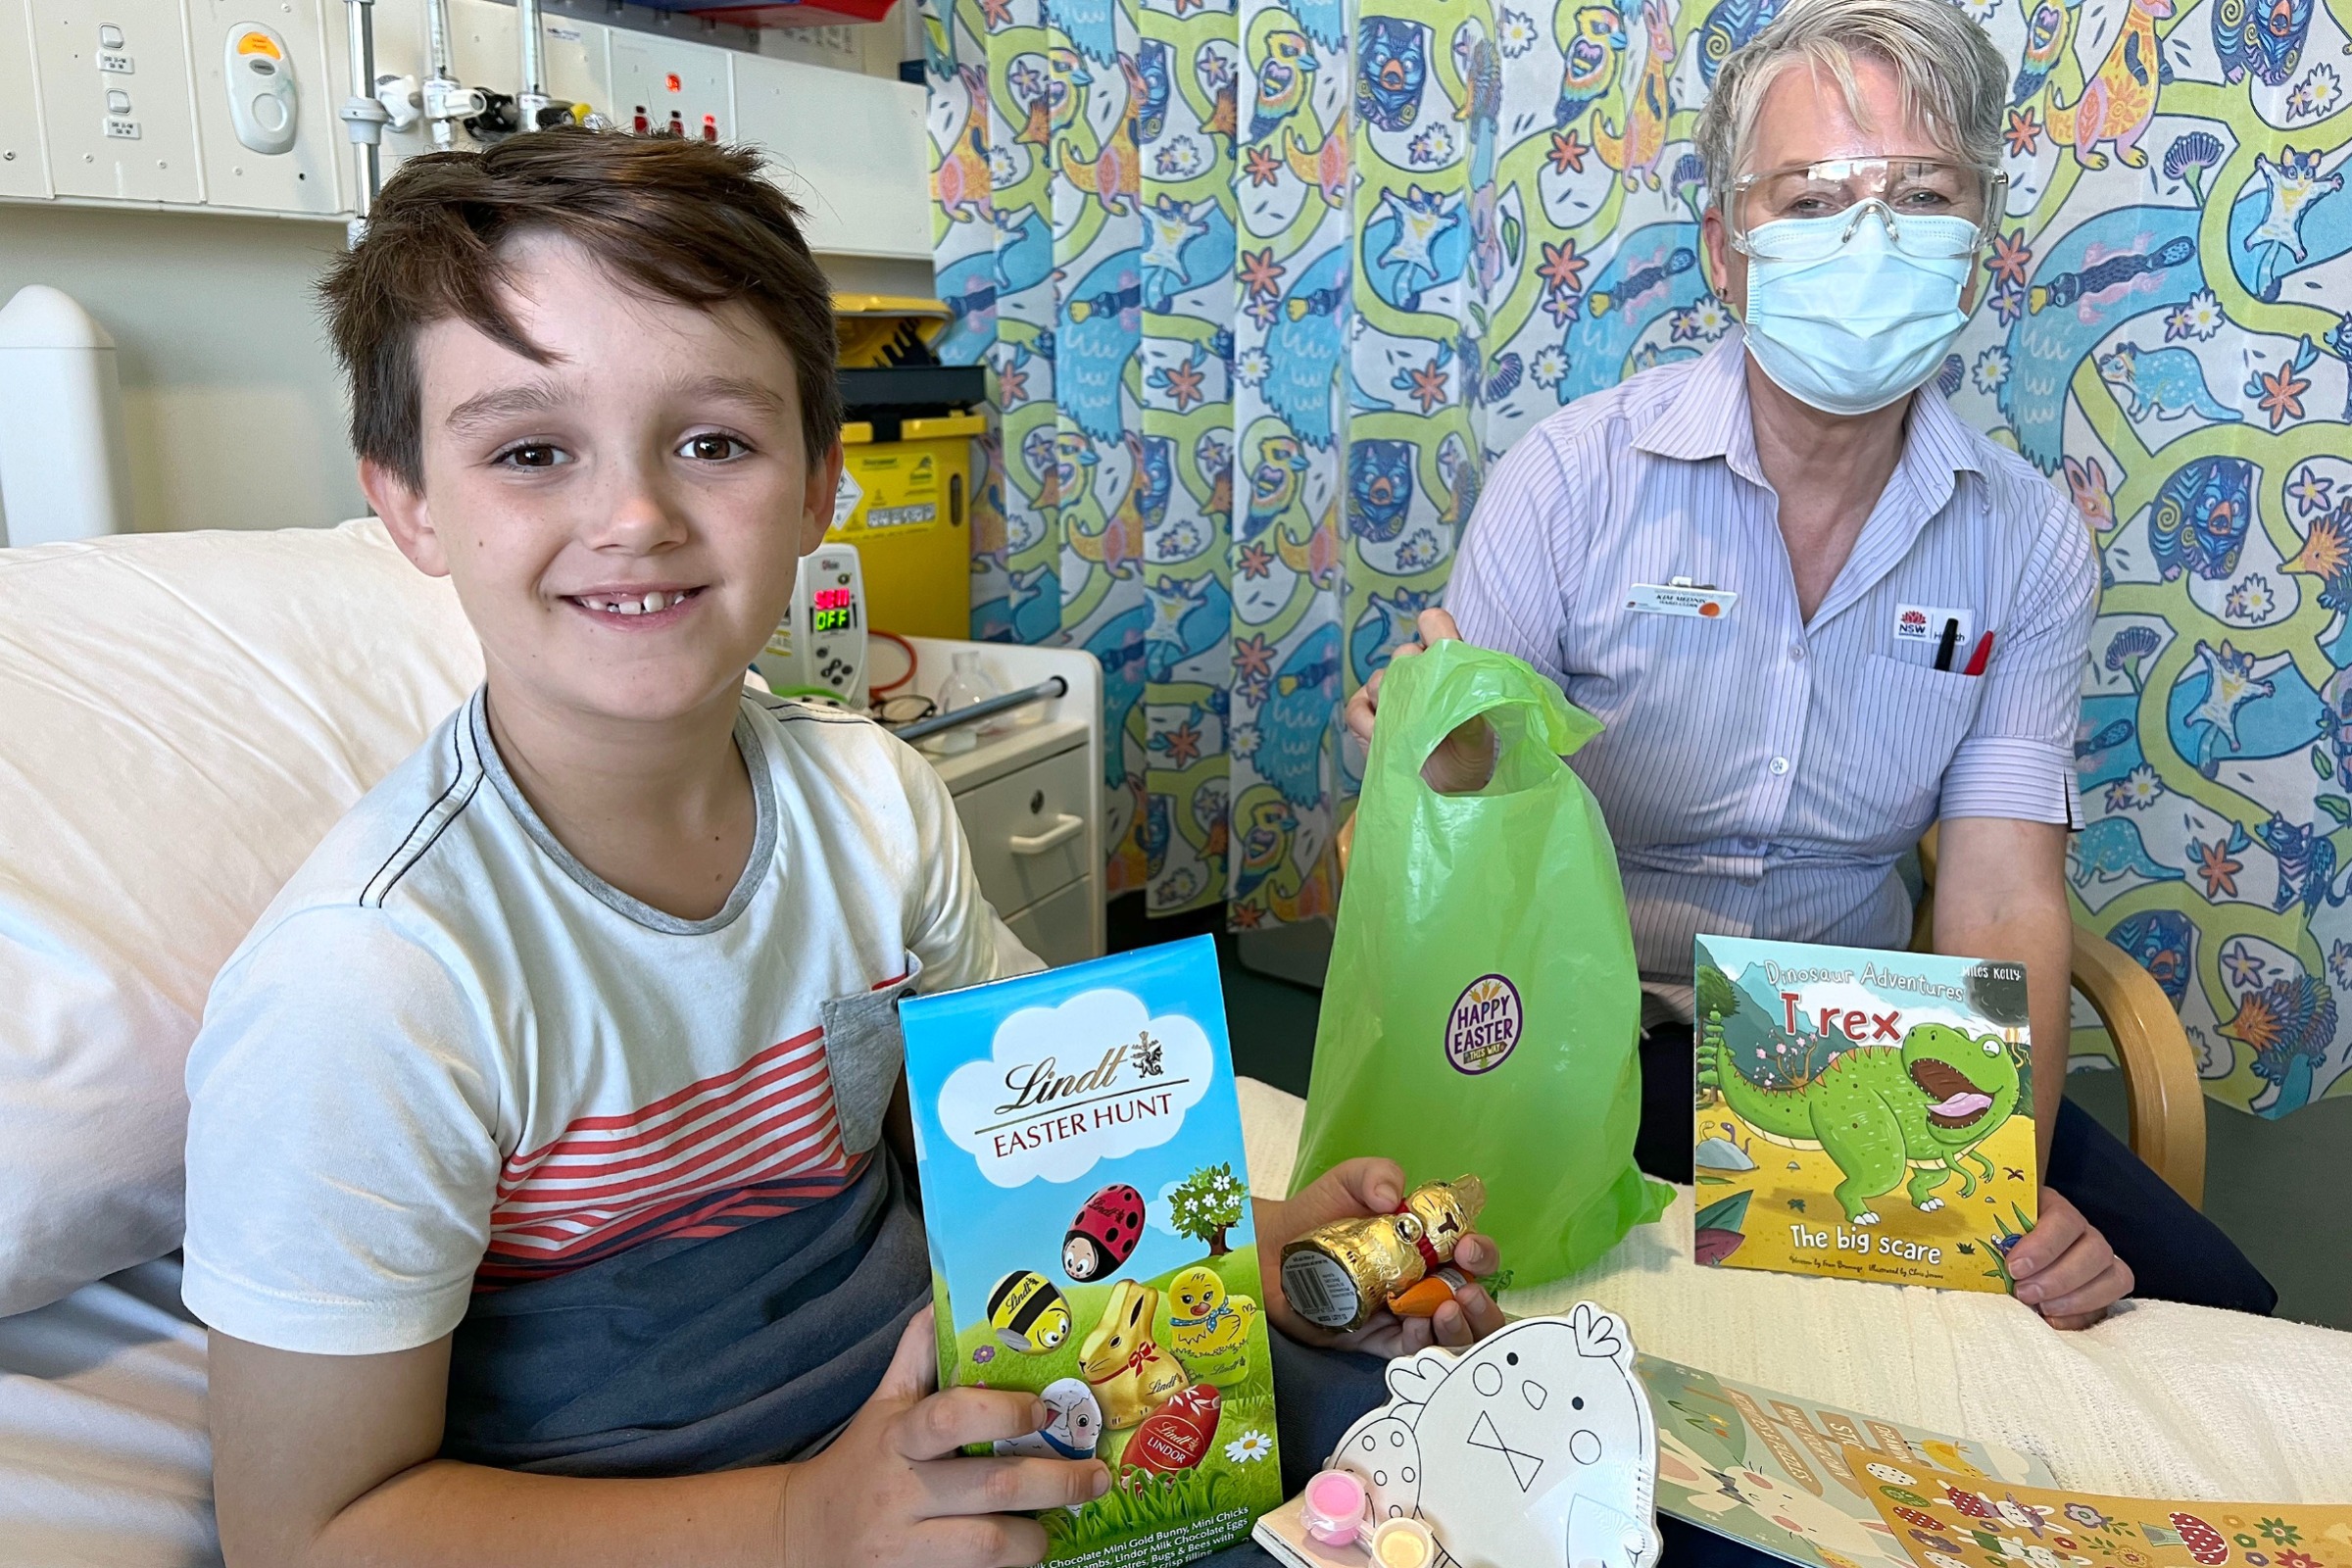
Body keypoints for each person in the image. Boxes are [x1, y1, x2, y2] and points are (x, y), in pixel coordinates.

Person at [183, 131, 1503, 1568]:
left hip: (962, 1420)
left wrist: (1268, 1248)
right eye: (531, 451)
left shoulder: (869, 802)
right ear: (408, 501)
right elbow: (303, 1531)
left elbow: (994, 1157)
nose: (634, 516)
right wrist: (810, 1523)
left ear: (820, 485)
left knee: (1449, 1441)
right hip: (674, 1525)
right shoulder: (374, 981)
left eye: (713, 442)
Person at [1347, 0, 2275, 1328]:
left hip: (1864, 1051)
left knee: (2209, 1322)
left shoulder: (2024, 542)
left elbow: (2005, 892)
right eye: (1814, 196)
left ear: (1972, 255)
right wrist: (1440, 760)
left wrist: (1994, 1173)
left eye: (1920, 194)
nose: (1868, 234)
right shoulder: (1565, 485)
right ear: (1728, 248)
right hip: (1586, 1039)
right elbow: (1461, 839)